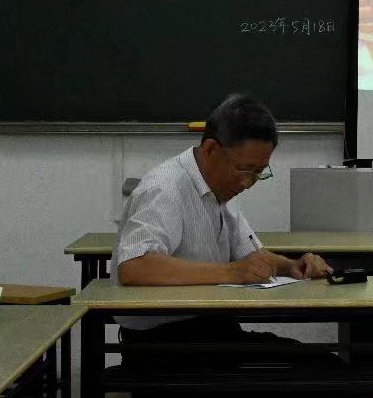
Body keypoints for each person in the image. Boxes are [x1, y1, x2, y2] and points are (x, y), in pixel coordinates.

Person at [111, 93, 336, 374]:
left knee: (327, 366)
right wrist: (230, 272)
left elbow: (251, 258)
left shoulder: (220, 189)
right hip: (165, 348)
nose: (247, 182)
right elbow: (134, 267)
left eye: (258, 172)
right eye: (243, 169)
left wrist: (292, 266)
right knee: (319, 375)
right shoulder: (165, 189)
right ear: (210, 149)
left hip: (212, 333)